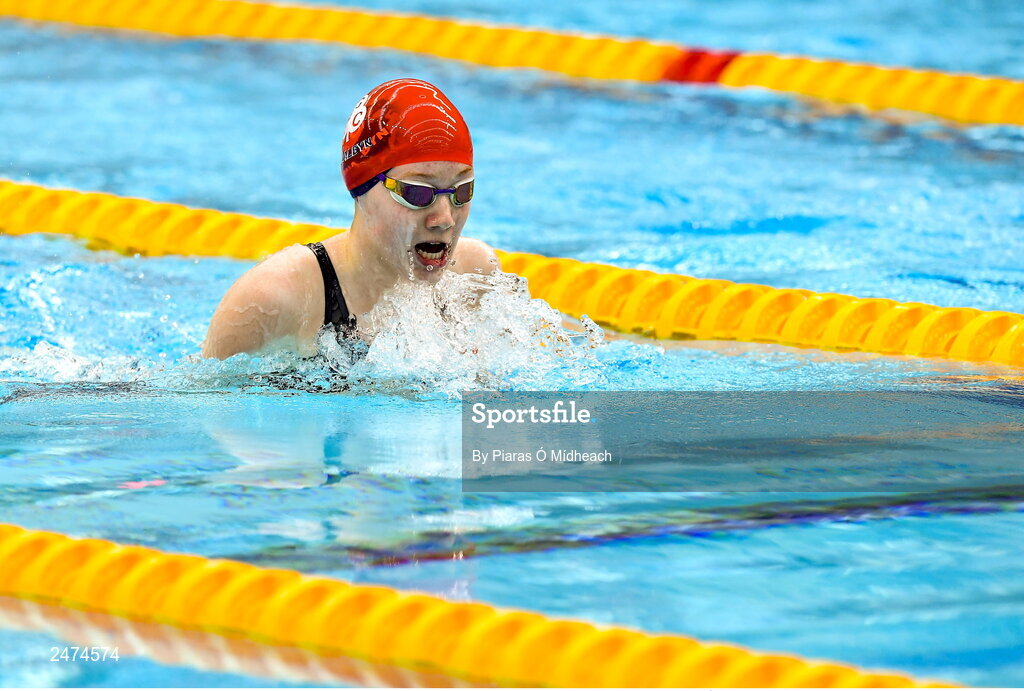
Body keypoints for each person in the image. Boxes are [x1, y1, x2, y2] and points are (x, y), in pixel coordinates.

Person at [202, 78, 500, 360]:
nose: (444, 218)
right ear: (362, 187)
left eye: (463, 190)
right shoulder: (275, 299)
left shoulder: (475, 275)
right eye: (417, 193)